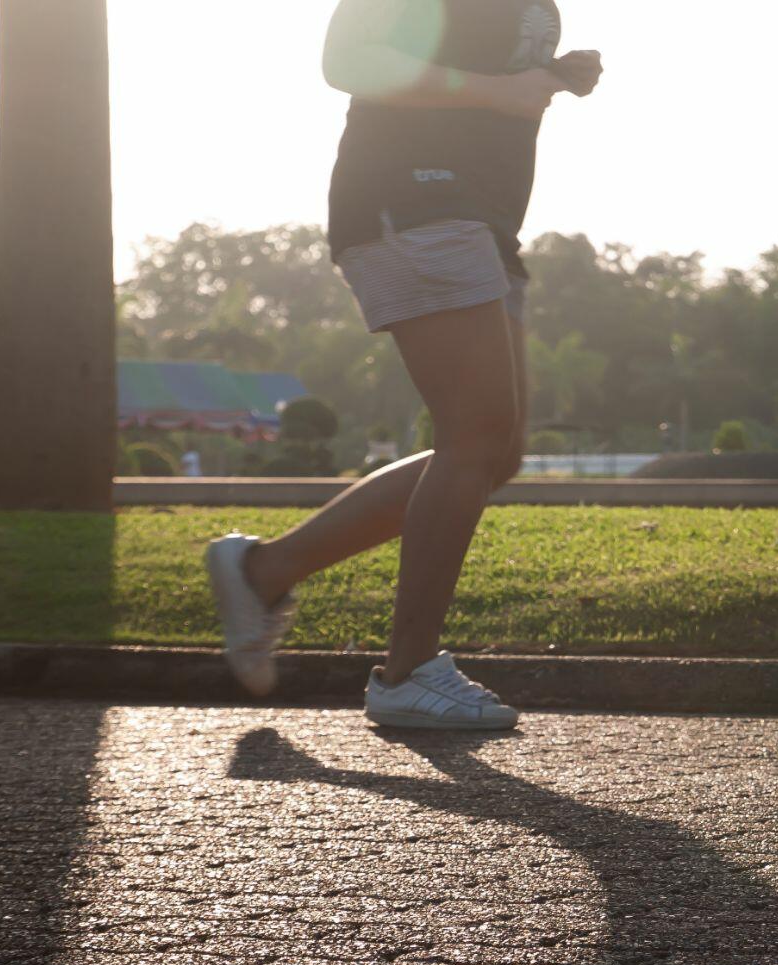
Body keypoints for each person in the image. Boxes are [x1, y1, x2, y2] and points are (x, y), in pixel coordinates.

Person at [204, 0, 600, 729]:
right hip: (414, 198)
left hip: (479, 217)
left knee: (494, 451)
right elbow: (349, 59)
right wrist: (497, 90)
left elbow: (467, 55)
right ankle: (407, 674)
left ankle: (263, 572)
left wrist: (548, 74)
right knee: (474, 440)